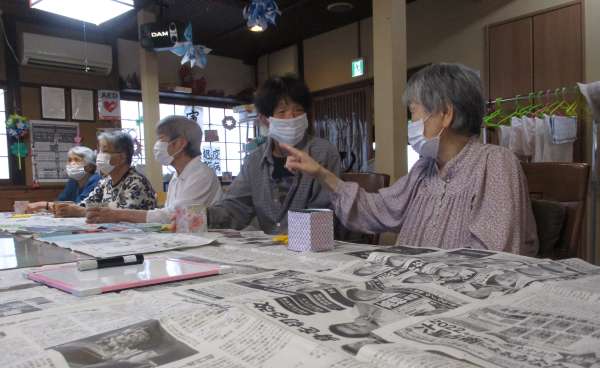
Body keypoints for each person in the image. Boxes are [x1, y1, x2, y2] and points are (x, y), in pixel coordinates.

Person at [284, 63, 539, 256]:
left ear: (445, 113)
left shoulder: (496, 163)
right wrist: (321, 173)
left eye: (413, 112)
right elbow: (377, 210)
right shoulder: (425, 168)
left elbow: (493, 259)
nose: (411, 123)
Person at [207, 75, 341, 234]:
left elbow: (325, 212)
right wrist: (202, 216)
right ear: (264, 119)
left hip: (312, 245)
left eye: (298, 110)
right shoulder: (254, 160)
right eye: (282, 111)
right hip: (271, 246)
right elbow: (235, 207)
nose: (292, 117)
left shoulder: (323, 153)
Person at [85, 116, 222, 224]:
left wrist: (117, 214)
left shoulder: (201, 174)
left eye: (161, 139)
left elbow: (176, 215)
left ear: (179, 143)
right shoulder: (178, 175)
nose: (157, 145)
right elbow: (169, 214)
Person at [54, 131, 156, 218]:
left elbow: (122, 214)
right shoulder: (106, 181)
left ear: (122, 157)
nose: (99, 156)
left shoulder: (137, 182)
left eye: (105, 151)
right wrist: (67, 209)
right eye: (99, 151)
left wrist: (81, 212)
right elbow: (87, 204)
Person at [26, 146, 101, 213]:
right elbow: (60, 202)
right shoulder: (73, 181)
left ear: (90, 166)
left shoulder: (96, 180)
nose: (72, 163)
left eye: (77, 160)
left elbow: (80, 207)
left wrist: (44, 205)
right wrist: (45, 208)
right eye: (70, 160)